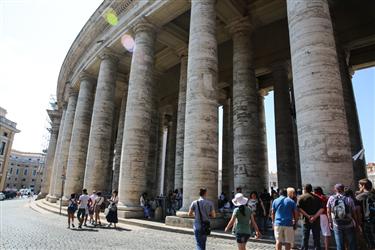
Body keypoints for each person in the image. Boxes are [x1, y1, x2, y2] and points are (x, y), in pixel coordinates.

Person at [327, 183, 358, 250]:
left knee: (339, 243)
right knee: (352, 242)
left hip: (337, 224)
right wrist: (356, 222)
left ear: (335, 190)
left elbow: (328, 211)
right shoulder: (349, 199)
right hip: (348, 224)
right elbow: (354, 212)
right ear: (344, 189)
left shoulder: (331, 198)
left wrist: (330, 222)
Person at [297, 184, 323, 250]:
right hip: (316, 220)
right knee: (316, 238)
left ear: (305, 189)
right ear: (311, 189)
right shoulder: (317, 198)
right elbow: (322, 209)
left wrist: (308, 216)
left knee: (305, 237)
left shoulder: (301, 197)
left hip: (305, 220)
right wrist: (314, 217)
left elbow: (299, 209)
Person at [356, 178, 375, 249]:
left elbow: (357, 211)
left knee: (369, 241)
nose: (359, 186)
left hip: (366, 222)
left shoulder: (359, 197)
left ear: (363, 186)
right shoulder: (373, 194)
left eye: (359, 185)